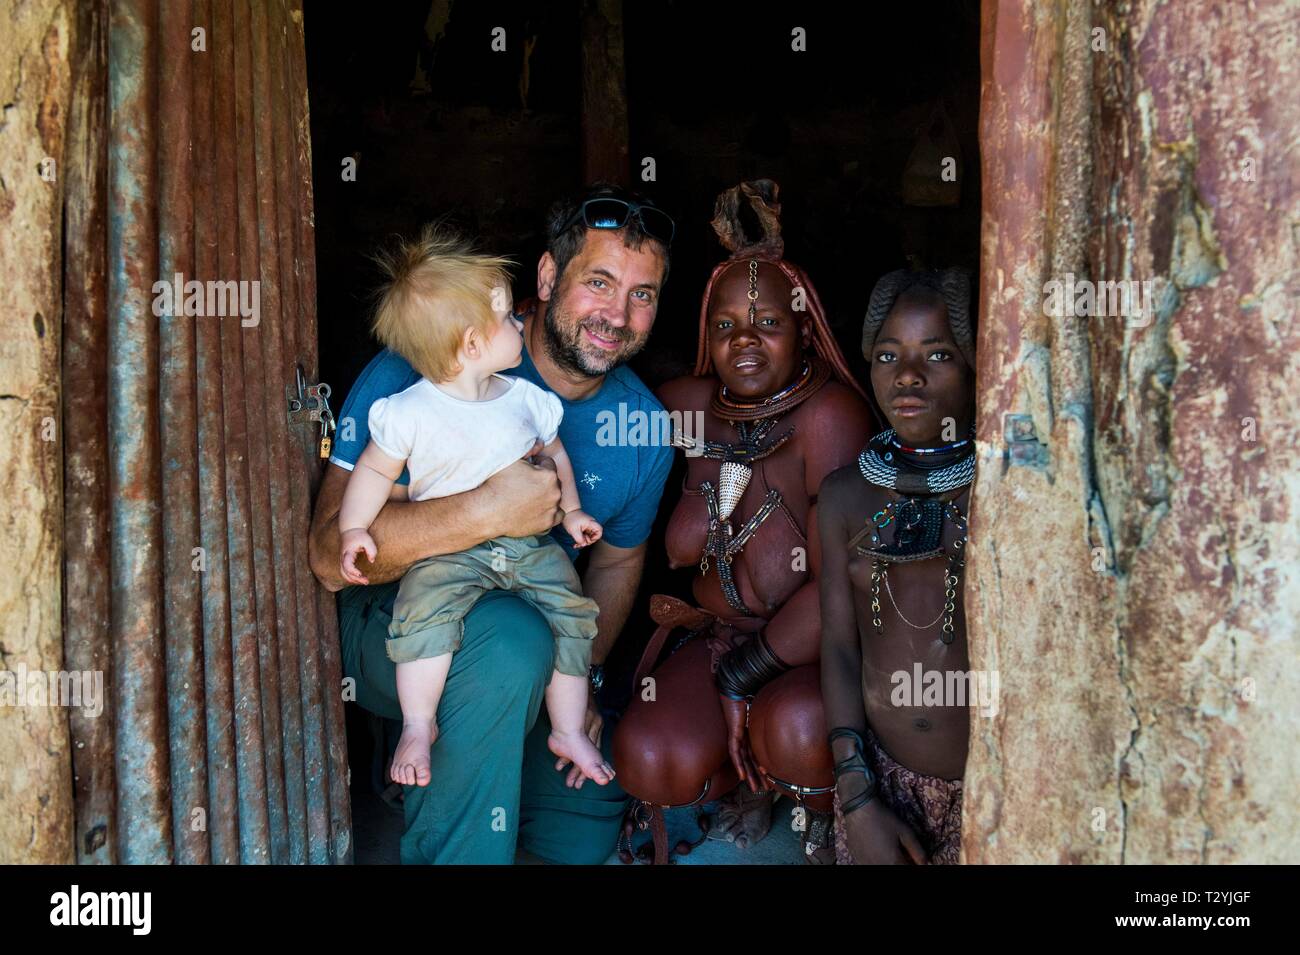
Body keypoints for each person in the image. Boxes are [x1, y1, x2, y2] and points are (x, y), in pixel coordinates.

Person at [308, 183, 675, 864]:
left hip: (532, 620)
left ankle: (468, 754)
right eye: (599, 281)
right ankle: (430, 747)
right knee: (508, 641)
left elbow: (619, 560)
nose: (617, 313)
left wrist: (581, 675)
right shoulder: (423, 366)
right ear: (546, 275)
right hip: (402, 620)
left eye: (642, 293)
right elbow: (331, 556)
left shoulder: (645, 426)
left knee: (586, 819)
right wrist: (484, 511)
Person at [612, 180, 875, 863]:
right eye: (725, 326)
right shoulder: (693, 404)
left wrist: (743, 675)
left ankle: (809, 801)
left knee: (795, 722)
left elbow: (837, 590)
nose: (744, 341)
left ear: (804, 329)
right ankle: (743, 771)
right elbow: (599, 401)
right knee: (647, 752)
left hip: (807, 654)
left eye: (769, 323)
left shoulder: (829, 416)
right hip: (717, 635)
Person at [334, 225, 612, 791]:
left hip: (527, 548)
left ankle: (567, 728)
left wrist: (572, 514)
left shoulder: (527, 401)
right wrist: (354, 528)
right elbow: (372, 471)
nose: (520, 325)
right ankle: (418, 724)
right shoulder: (407, 411)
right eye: (511, 318)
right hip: (450, 551)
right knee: (424, 612)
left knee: (572, 610)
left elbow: (554, 454)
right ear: (470, 345)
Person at [817, 267, 977, 864]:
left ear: (976, 365)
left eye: (937, 353)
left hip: (996, 786)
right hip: (882, 784)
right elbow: (838, 646)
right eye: (888, 355)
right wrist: (857, 797)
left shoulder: (1008, 492)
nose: (907, 375)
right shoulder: (844, 496)